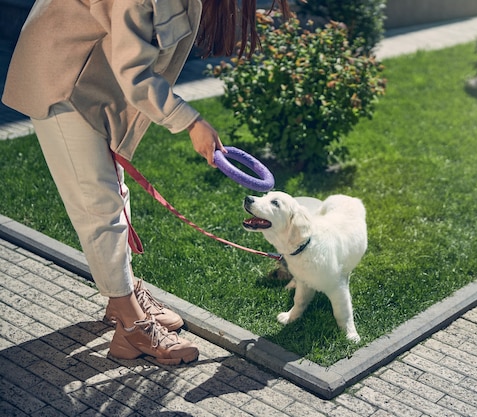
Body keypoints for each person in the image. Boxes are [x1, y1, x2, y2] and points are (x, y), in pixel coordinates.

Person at [2, 0, 290, 365]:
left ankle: (121, 300)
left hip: (95, 80)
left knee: (114, 195)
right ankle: (132, 328)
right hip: (61, 76)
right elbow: (133, 69)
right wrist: (190, 122)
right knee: (100, 207)